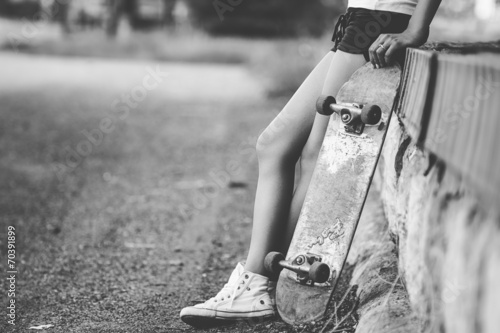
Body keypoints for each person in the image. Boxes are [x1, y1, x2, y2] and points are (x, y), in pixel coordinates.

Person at [180, 0, 442, 327]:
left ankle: (259, 279)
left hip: (382, 21)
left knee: (317, 153)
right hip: (361, 20)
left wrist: (418, 27)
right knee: (273, 144)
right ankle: (260, 281)